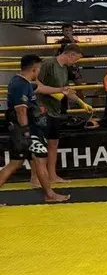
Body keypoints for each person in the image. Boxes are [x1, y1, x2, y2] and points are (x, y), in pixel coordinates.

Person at [0, 54, 71, 204]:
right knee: (39, 160)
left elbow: (40, 88)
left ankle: (49, 194)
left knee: (16, 163)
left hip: (23, 129)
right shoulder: (20, 85)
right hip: (28, 130)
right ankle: (50, 195)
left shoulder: (23, 82)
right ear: (34, 68)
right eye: (38, 69)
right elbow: (21, 110)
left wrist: (61, 89)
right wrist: (26, 132)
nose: (39, 72)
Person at [33, 45, 93, 187]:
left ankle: (52, 176)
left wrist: (81, 103)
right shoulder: (48, 63)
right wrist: (53, 91)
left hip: (55, 110)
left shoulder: (64, 70)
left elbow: (66, 91)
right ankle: (35, 178)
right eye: (76, 59)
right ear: (71, 55)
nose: (75, 63)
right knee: (39, 145)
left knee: (53, 143)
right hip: (41, 108)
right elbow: (34, 81)